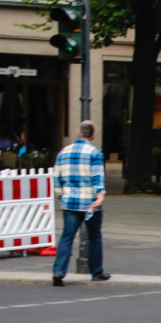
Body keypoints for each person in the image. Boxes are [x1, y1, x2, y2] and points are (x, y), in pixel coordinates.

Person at [52, 121, 109, 286]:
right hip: (90, 203)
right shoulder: (95, 153)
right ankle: (96, 272)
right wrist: (100, 196)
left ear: (78, 134)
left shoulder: (63, 152)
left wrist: (61, 196)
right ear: (93, 136)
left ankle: (58, 271)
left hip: (69, 202)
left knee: (67, 236)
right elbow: (97, 177)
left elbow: (57, 178)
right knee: (94, 237)